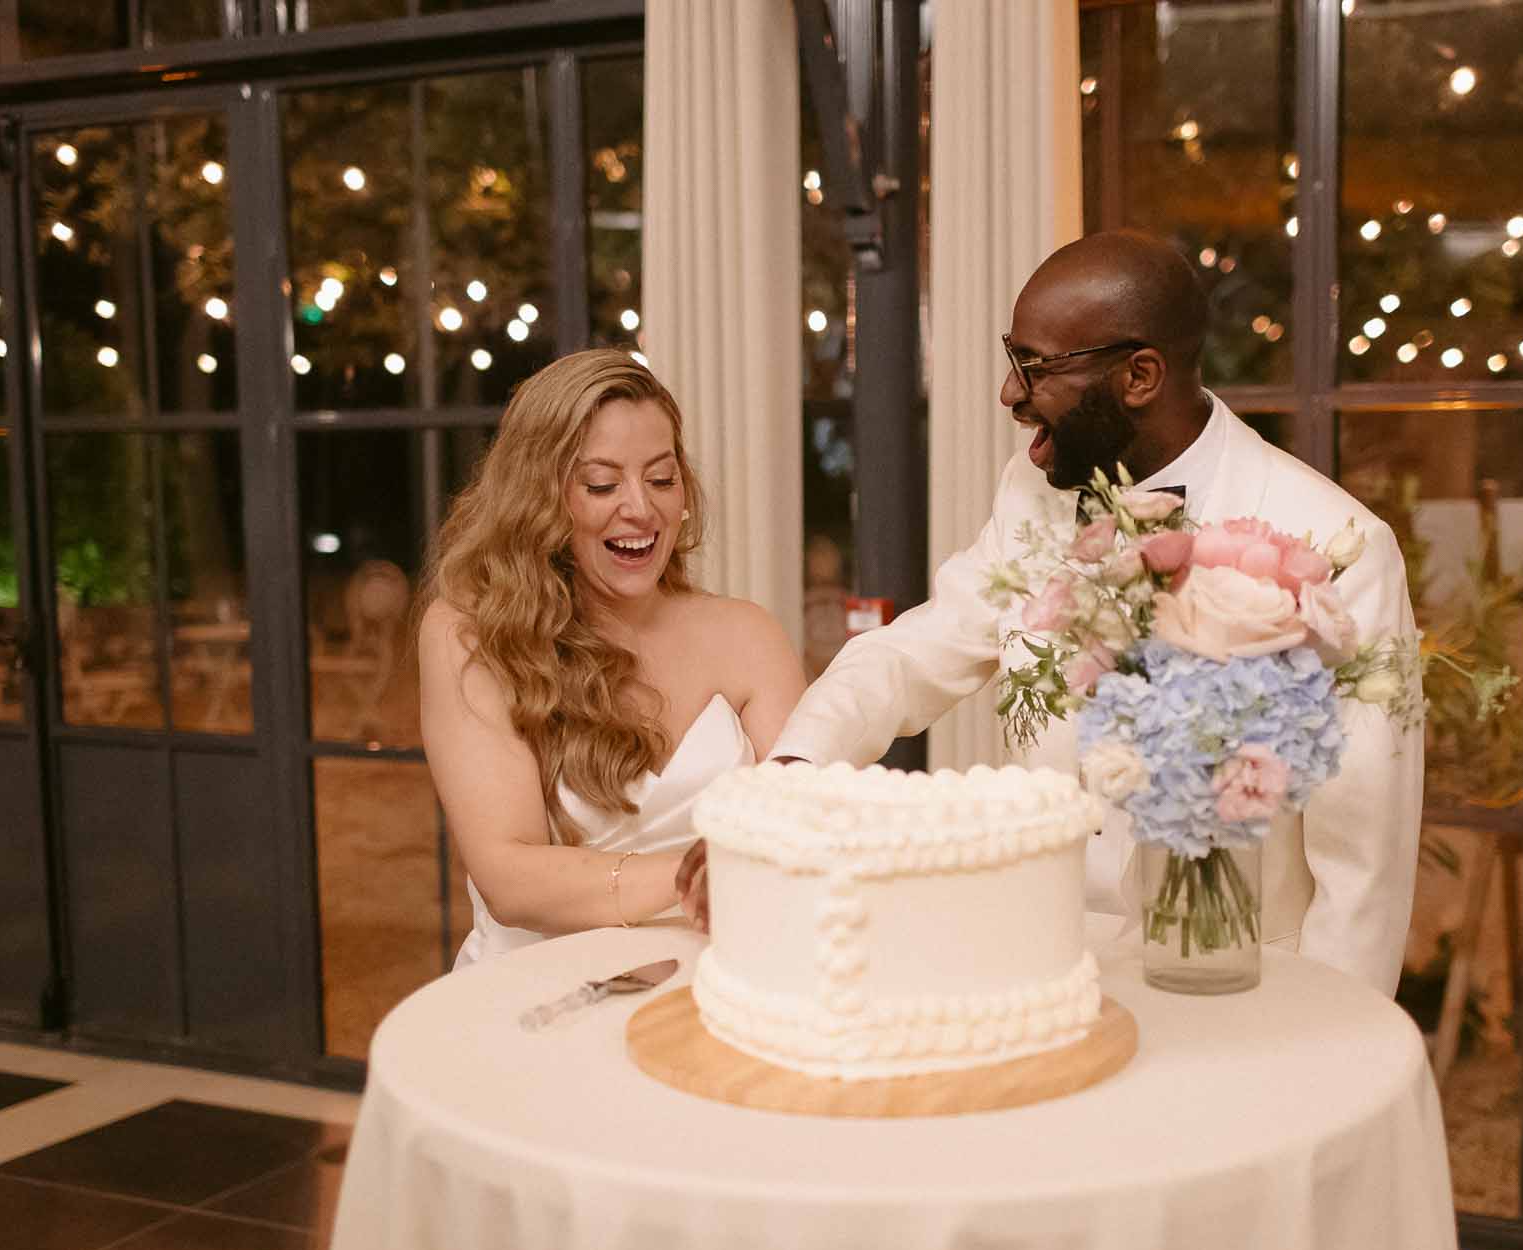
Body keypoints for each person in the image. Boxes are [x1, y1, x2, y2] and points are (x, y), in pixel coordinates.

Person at [693, 231, 1423, 993]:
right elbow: (916, 651)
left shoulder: (1335, 547)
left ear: (1140, 375)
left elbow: (1362, 860)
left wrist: (1326, 1038)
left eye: (1034, 367)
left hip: (1239, 980)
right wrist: (792, 769)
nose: (1010, 393)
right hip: (1042, 961)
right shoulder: (1031, 493)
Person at [421, 349, 806, 967]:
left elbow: (808, 819)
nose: (641, 508)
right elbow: (509, 879)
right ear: (539, 498)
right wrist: (704, 873)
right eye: (601, 484)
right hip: (541, 994)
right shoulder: (470, 637)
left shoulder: (747, 634)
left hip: (728, 982)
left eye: (661, 478)